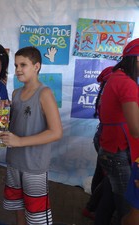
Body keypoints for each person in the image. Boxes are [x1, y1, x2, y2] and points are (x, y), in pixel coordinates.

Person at [0, 46, 63, 225]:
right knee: (18, 209)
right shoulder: (16, 94)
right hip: (13, 162)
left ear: (36, 67)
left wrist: (20, 141)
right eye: (16, 65)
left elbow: (56, 132)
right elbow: (13, 127)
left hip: (34, 165)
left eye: (23, 65)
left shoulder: (45, 93)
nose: (18, 69)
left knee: (36, 216)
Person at [96, 38, 139, 224]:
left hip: (110, 147)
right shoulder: (127, 83)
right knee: (128, 209)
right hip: (117, 151)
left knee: (111, 194)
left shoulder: (115, 76)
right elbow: (136, 129)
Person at [82, 66, 116, 224]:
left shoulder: (106, 91)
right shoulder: (111, 91)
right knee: (109, 179)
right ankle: (92, 208)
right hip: (107, 141)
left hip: (104, 139)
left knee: (103, 175)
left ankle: (91, 208)